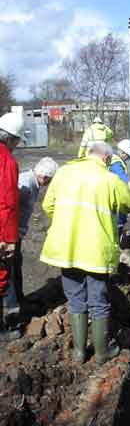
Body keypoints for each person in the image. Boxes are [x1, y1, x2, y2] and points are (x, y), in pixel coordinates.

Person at [40, 141, 130, 365]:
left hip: (67, 248)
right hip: (94, 251)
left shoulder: (64, 172)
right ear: (105, 158)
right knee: (98, 300)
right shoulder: (109, 179)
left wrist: (67, 222)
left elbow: (48, 206)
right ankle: (102, 352)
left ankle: (79, 352)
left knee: (75, 299)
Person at [6, 157, 59, 308]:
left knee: (17, 266)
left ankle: (20, 300)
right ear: (44, 177)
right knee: (9, 270)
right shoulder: (24, 184)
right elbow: (8, 207)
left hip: (16, 233)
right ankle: (12, 309)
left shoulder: (32, 183)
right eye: (50, 180)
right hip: (9, 234)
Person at [0, 111, 24, 342]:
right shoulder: (6, 160)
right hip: (1, 228)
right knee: (1, 275)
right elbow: (7, 203)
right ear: (10, 138)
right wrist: (9, 240)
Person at [109, 139, 130, 239]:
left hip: (116, 194)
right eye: (128, 156)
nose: (128, 158)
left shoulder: (115, 159)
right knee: (118, 219)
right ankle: (117, 242)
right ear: (123, 152)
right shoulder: (116, 163)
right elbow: (121, 177)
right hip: (115, 195)